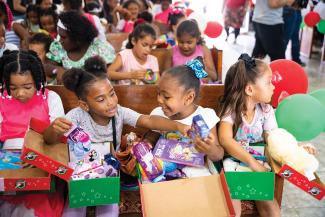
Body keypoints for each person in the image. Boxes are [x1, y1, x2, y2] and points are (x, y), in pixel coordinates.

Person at [43, 56, 190, 217]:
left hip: (110, 173)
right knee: (74, 208)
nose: (111, 102)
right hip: (82, 174)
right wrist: (54, 129)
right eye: (101, 99)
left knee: (109, 208)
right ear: (84, 104)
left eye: (112, 94)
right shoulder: (76, 116)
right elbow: (49, 140)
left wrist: (177, 125)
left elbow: (148, 120)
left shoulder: (119, 112)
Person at [0, 50, 65, 217]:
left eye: (27, 87)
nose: (20, 93)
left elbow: (54, 139)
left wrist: (54, 129)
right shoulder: (1, 98)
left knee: (30, 210)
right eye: (13, 87)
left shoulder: (51, 98)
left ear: (37, 80)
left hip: (42, 158)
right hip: (8, 162)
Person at [218, 53, 279, 217]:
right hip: (234, 162)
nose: (273, 87)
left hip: (259, 160)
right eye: (268, 82)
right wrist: (252, 163)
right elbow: (225, 139)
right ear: (250, 89)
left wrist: (296, 148)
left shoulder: (266, 110)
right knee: (232, 208)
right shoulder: (231, 110)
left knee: (272, 208)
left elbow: (274, 137)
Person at [150, 57, 224, 164]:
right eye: (158, 93)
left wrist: (211, 149)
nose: (159, 99)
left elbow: (219, 155)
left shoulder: (205, 116)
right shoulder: (158, 115)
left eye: (166, 97)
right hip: (166, 175)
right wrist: (145, 145)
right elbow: (151, 139)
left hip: (195, 176)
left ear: (189, 98)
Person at [45, 11, 115, 84]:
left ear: (78, 38)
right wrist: (58, 70)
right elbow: (47, 66)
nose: (60, 40)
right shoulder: (59, 47)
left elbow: (110, 73)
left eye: (63, 37)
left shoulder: (100, 48)